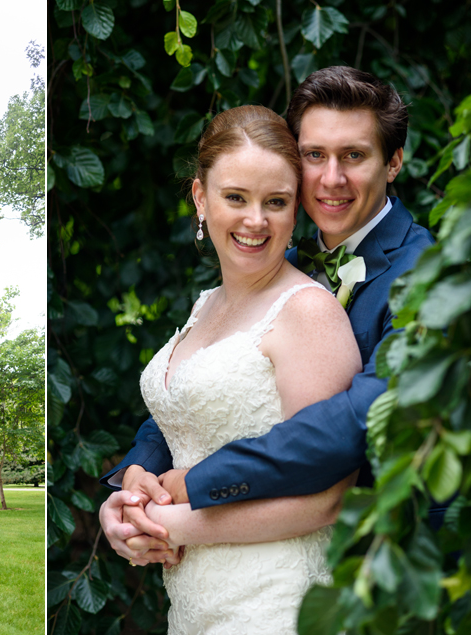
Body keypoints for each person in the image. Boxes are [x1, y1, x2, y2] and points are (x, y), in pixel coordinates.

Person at [99, 66, 436, 568]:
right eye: (314, 155)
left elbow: (356, 421)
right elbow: (200, 391)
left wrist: (192, 485)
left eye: (355, 156)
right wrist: (136, 477)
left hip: (397, 563)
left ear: (394, 163)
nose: (331, 178)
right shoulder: (274, 262)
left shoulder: (430, 275)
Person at [104, 103, 362, 633]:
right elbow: (181, 423)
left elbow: (329, 498)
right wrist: (127, 501)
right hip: (196, 601)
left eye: (276, 202)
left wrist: (172, 525)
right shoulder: (205, 306)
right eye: (235, 197)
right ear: (201, 198)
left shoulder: (308, 312)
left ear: (297, 209)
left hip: (278, 600)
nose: (255, 220)